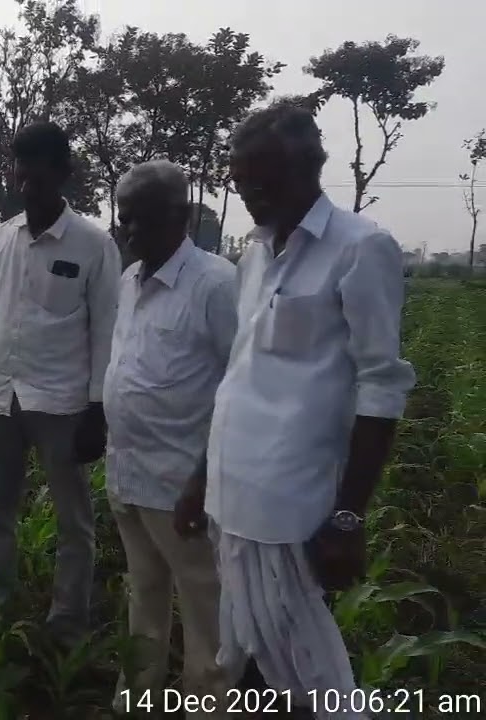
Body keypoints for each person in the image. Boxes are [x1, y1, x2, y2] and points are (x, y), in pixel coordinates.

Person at [192, 103, 416, 718]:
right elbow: (239, 373)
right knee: (246, 655)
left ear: (308, 169)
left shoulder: (361, 248)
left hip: (289, 502)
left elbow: (381, 386)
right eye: (244, 187)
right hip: (230, 492)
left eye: (262, 183)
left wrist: (348, 516)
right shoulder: (255, 254)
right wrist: (201, 478)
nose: (253, 198)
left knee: (314, 677)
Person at [0, 120, 122, 648]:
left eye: (37, 174)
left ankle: (67, 624)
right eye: (18, 173)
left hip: (64, 403)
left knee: (74, 521)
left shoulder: (95, 245)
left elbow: (107, 331)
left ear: (63, 174)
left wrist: (98, 411)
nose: (25, 185)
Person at [102, 160, 237, 717]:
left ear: (181, 216)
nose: (130, 230)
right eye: (124, 218)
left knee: (206, 608)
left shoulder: (217, 284)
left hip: (184, 483)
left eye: (144, 219)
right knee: (144, 594)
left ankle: (209, 707)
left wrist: (202, 479)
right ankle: (138, 702)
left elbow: (240, 392)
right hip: (128, 474)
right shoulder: (128, 281)